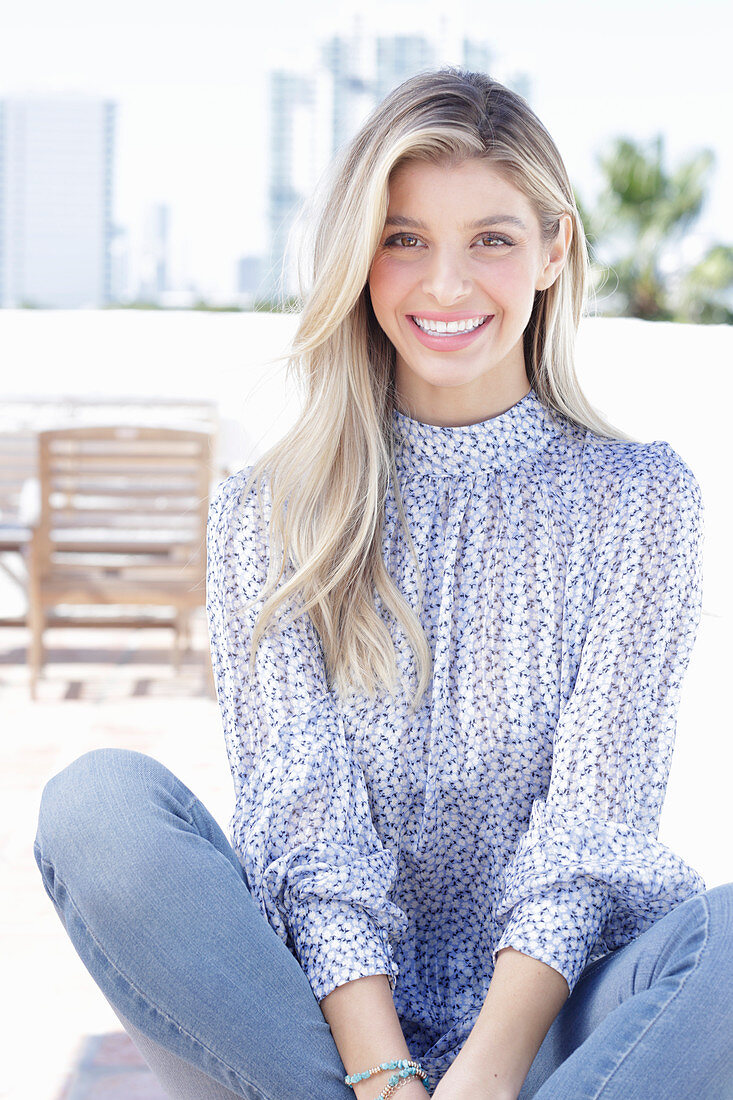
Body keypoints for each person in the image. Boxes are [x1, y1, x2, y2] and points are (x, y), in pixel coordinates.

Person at [33, 69, 732, 1100]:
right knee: (94, 805)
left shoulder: (638, 500)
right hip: (311, 1029)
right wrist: (386, 1072)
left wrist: (484, 1076)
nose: (445, 284)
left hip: (550, 1034)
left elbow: (594, 824)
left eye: (490, 238)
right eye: (403, 238)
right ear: (358, 258)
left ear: (553, 252)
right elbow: (304, 823)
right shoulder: (267, 509)